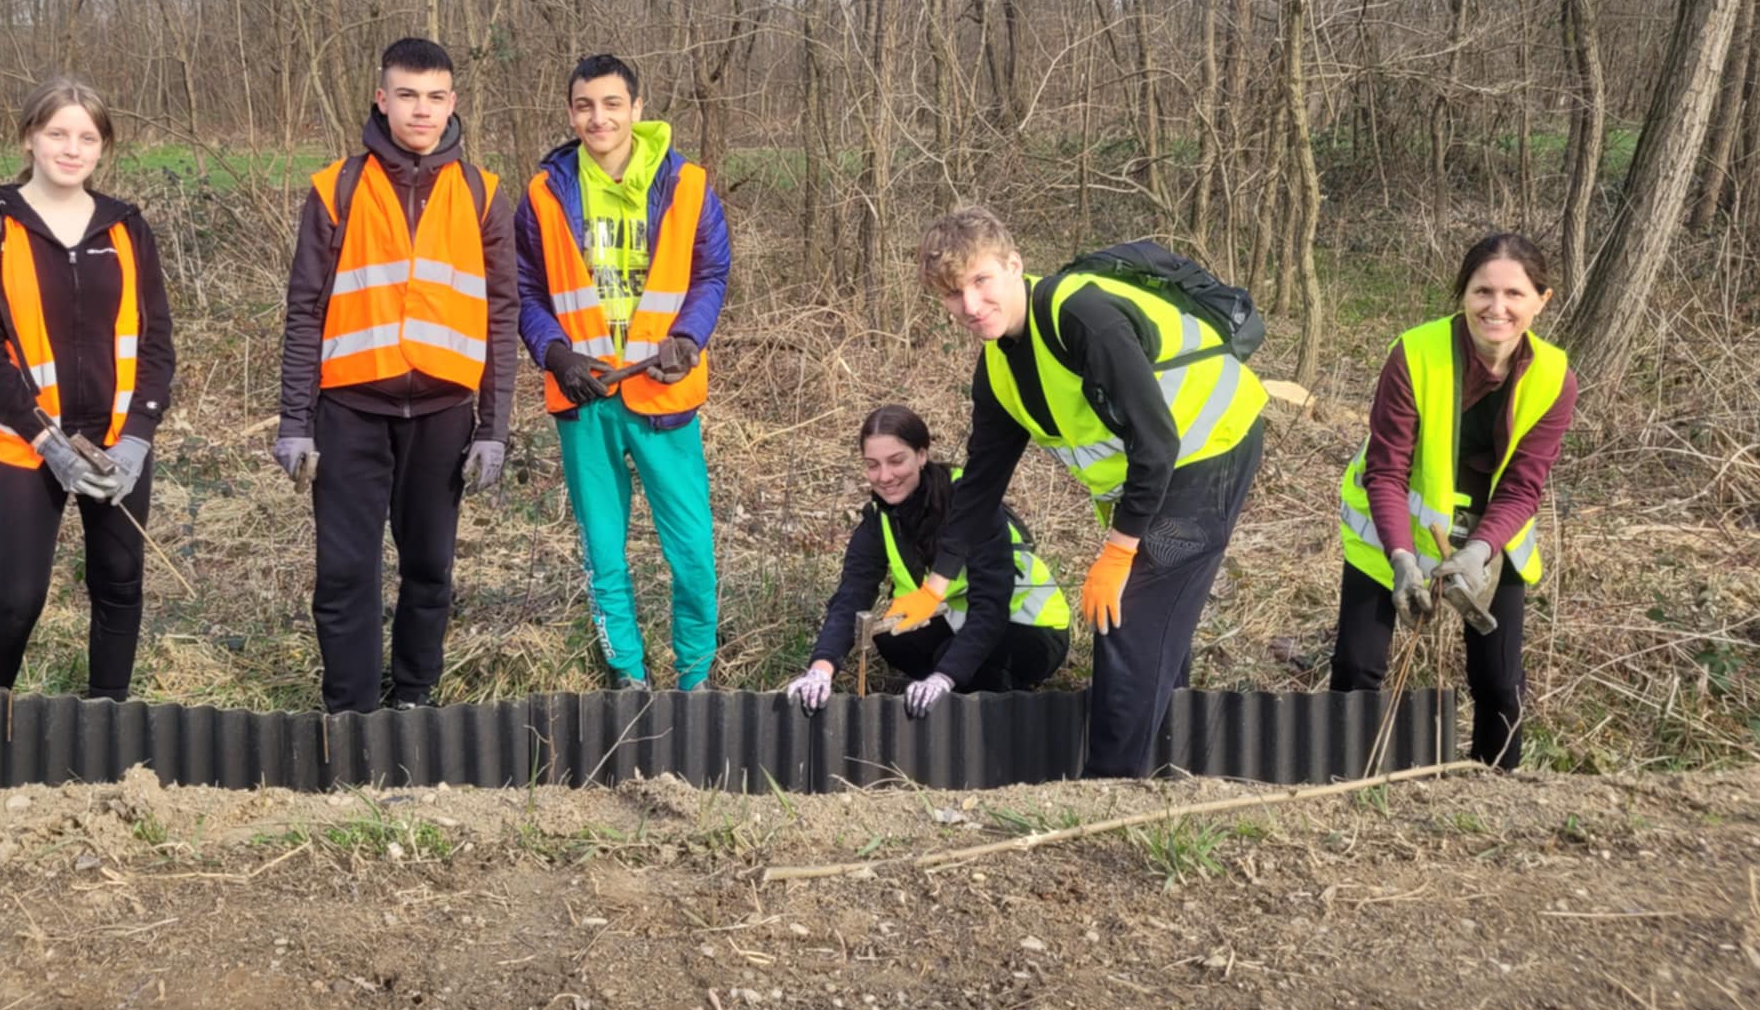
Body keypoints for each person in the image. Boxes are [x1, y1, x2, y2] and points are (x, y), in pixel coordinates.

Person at [910, 208, 1268, 775]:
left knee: (1125, 617)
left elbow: (1156, 441)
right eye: (953, 295)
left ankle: (1108, 791)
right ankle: (1167, 769)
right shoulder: (999, 368)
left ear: (1014, 266)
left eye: (981, 282)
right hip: (1162, 474)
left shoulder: (1081, 316)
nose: (970, 307)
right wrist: (936, 584)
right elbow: (980, 484)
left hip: (1212, 449)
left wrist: (1120, 549)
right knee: (1153, 622)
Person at [273, 36, 517, 714]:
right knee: (346, 573)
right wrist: (295, 421)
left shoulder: (482, 195)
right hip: (349, 411)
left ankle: (413, 700)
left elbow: (502, 315)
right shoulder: (338, 188)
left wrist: (494, 427)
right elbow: (305, 309)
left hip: (442, 414)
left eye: (435, 97)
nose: (421, 110)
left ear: (453, 104)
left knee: (429, 570)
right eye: (407, 95)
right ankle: (350, 711)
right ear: (382, 100)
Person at [0, 76, 176, 700]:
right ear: (29, 137)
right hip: (24, 442)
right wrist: (45, 439)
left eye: (88, 137)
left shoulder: (128, 229)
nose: (72, 149)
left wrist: (136, 440)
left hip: (114, 442)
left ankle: (108, 731)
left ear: (103, 147)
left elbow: (156, 344)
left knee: (120, 585)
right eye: (58, 134)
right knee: (18, 598)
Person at [513, 53, 731, 691]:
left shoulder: (687, 185)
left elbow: (710, 274)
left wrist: (688, 337)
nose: (598, 117)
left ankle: (694, 678)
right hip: (584, 399)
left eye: (612, 104)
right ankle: (627, 677)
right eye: (584, 105)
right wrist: (555, 353)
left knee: (691, 551)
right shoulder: (544, 191)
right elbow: (525, 290)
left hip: (664, 395)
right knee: (603, 552)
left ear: (638, 109)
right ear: (570, 112)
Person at [1333, 232, 1576, 769]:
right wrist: (1400, 557)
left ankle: (1495, 792)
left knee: (1498, 682)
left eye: (1514, 294)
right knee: (1358, 668)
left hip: (1493, 537)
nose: (1497, 307)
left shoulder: (1555, 378)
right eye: (1482, 291)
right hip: (1389, 533)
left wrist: (1481, 550)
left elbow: (1522, 487)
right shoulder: (1415, 353)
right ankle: (1340, 790)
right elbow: (1387, 469)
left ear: (1542, 299)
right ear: (1462, 294)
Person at [785, 405, 1069, 718]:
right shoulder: (879, 520)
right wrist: (821, 669)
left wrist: (944, 676)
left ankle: (995, 703)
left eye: (896, 461)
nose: (885, 476)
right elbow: (851, 596)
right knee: (894, 639)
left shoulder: (971, 501)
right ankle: (953, 690)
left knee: (955, 660)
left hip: (1031, 627)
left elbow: (991, 606)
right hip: (962, 622)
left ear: (921, 455)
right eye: (872, 465)